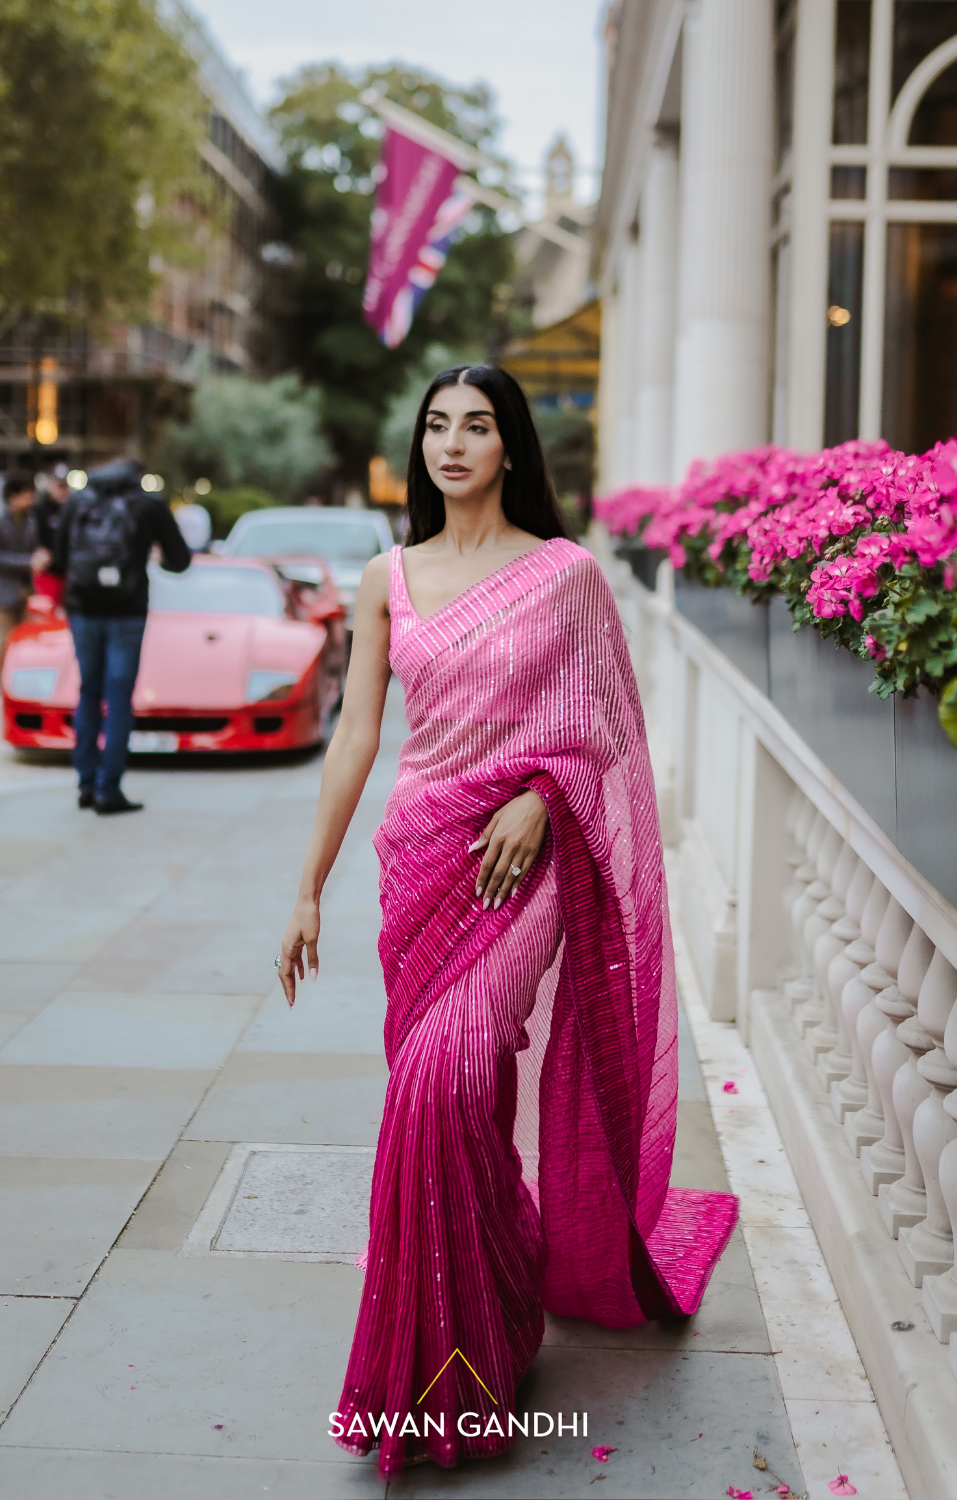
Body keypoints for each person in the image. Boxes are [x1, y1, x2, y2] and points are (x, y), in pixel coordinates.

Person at [277, 365, 738, 1476]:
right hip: (421, 859)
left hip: (519, 865)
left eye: (475, 425)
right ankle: (485, 1308)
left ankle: (470, 1337)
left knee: (454, 1067)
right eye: (435, 425)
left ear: (510, 447)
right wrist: (306, 885)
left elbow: (602, 730)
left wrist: (540, 797)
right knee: (449, 1096)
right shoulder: (387, 575)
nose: (451, 443)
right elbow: (355, 737)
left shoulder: (565, 575)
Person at [50, 457, 191, 814]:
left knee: (88, 690)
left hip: (82, 610)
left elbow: (59, 559)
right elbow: (180, 561)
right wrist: (153, 554)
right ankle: (108, 789)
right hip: (127, 612)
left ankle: (85, 783)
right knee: (118, 697)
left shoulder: (78, 502)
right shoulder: (147, 505)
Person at [0, 472, 45, 693]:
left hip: (24, 591)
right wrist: (27, 562)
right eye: (27, 495)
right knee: (7, 641)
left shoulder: (30, 518)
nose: (31, 500)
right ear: (13, 496)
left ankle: (20, 686)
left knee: (26, 641)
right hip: (0, 592)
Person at [31, 463, 73, 605]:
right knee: (48, 613)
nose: (63, 490)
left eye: (65, 486)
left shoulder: (73, 508)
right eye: (59, 486)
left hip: (69, 571)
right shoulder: (38, 509)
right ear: (50, 484)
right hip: (48, 573)